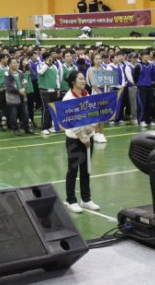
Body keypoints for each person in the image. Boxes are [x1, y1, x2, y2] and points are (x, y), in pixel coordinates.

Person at [62, 71, 99, 213]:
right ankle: (71, 200)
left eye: (84, 79)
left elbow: (93, 112)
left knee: (86, 169)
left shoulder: (87, 95)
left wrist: (93, 126)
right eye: (81, 79)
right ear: (73, 81)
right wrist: (81, 135)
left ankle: (86, 199)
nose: (84, 81)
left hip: (88, 138)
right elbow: (68, 120)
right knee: (73, 170)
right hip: (74, 140)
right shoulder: (68, 98)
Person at [5, 58, 32, 136]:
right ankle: (15, 129)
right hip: (12, 98)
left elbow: (25, 83)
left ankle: (27, 128)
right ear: (9, 64)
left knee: (25, 114)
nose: (16, 64)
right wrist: (19, 90)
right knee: (13, 115)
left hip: (22, 97)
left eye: (16, 62)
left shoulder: (20, 73)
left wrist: (24, 88)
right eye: (13, 63)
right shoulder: (7, 74)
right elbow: (9, 86)